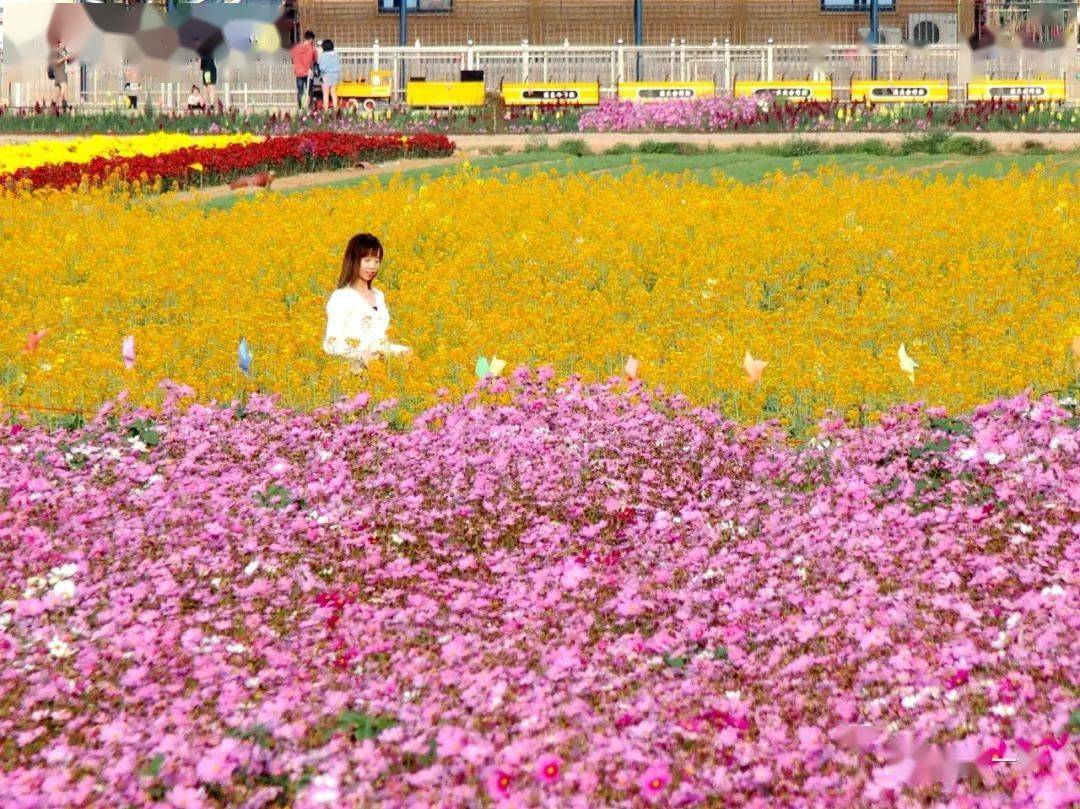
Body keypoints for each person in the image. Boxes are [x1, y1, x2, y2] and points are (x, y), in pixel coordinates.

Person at [323, 233, 411, 369]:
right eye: (367, 260)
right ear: (354, 260)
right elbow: (330, 344)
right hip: (354, 376)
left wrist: (401, 351)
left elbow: (379, 343)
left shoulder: (379, 296)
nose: (373, 267)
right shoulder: (341, 297)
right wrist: (361, 354)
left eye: (377, 261)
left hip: (381, 374)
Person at [291, 30, 318, 110]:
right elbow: (315, 59)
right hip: (308, 73)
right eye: (312, 40)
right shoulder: (311, 48)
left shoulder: (296, 48)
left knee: (300, 91)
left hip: (298, 72)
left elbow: (293, 58)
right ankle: (310, 107)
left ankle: (300, 108)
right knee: (309, 91)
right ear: (311, 39)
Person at [317, 38, 340, 110]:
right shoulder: (336, 55)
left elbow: (321, 67)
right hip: (335, 76)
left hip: (326, 76)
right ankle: (336, 111)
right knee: (334, 94)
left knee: (325, 95)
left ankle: (326, 112)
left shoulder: (324, 55)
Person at [48, 41, 71, 109]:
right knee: (63, 87)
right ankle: (57, 105)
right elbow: (56, 62)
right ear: (58, 44)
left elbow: (69, 61)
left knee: (62, 90)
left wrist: (68, 54)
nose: (64, 44)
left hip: (63, 72)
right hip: (58, 72)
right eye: (62, 43)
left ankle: (56, 104)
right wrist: (64, 58)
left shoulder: (64, 52)